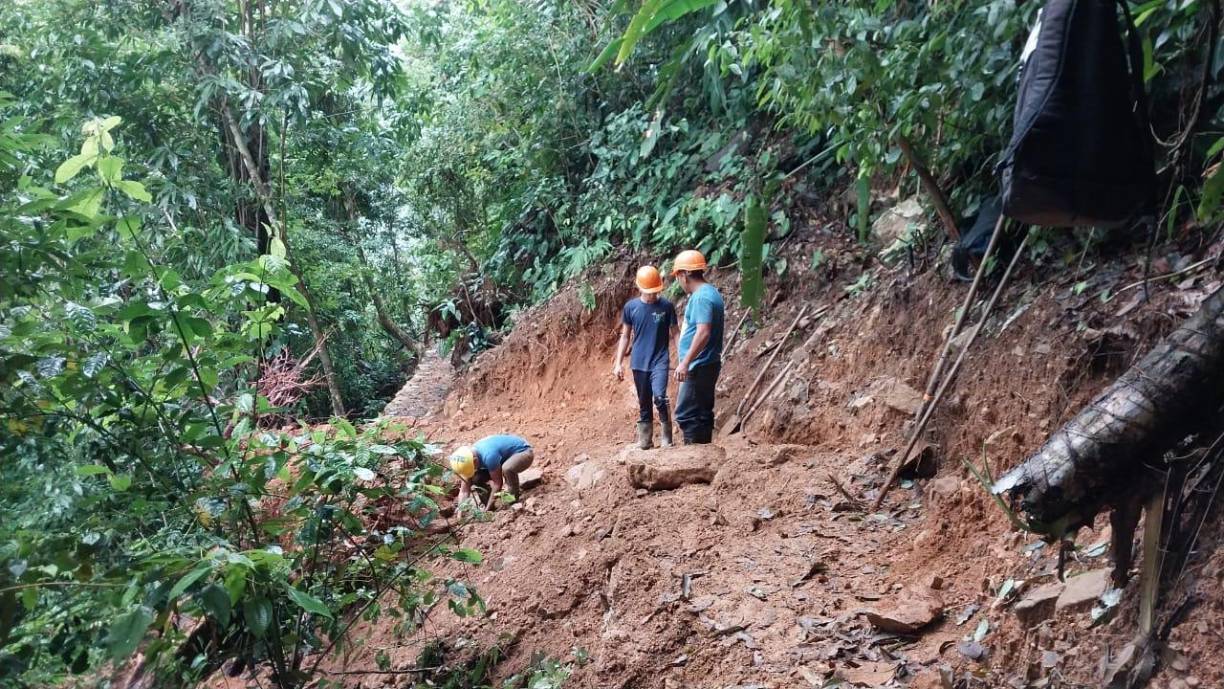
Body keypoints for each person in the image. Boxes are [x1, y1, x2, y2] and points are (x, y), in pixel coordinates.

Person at [612, 265, 679, 449]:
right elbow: (625, 335)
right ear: (639, 288)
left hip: (660, 360)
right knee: (644, 403)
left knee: (660, 397)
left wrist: (682, 359)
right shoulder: (631, 308)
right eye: (648, 292)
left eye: (655, 292)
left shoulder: (666, 306)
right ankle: (646, 440)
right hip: (639, 362)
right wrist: (618, 363)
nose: (652, 296)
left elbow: (675, 333)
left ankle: (666, 437)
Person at [671, 250, 724, 444]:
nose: (678, 281)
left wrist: (685, 363)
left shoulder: (701, 297)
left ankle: (693, 460)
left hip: (699, 366)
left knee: (687, 414)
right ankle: (704, 456)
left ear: (684, 274)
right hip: (707, 363)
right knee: (702, 413)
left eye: (677, 276)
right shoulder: (710, 292)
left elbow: (703, 332)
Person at [449, 434, 535, 511]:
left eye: (473, 468)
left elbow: (498, 483)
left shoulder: (489, 456)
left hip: (524, 452)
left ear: (475, 461)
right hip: (502, 458)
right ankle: (490, 505)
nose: (473, 470)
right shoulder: (467, 457)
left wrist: (487, 509)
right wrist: (460, 512)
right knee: (476, 478)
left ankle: (512, 499)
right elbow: (464, 491)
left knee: (507, 469)